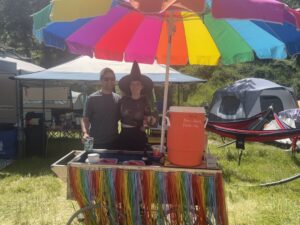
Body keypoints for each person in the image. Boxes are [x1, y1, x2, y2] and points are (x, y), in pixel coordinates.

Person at [116, 61, 156, 151]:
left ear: (142, 86)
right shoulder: (122, 101)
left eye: (138, 84)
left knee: (139, 160)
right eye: (132, 84)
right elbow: (116, 117)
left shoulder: (145, 101)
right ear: (129, 86)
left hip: (139, 135)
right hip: (124, 136)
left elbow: (148, 120)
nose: (135, 86)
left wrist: (150, 122)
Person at [81, 67, 121, 149]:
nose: (109, 81)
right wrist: (85, 133)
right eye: (106, 79)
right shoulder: (91, 98)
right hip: (96, 142)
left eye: (112, 79)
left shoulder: (118, 99)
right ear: (101, 81)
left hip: (114, 142)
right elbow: (85, 119)